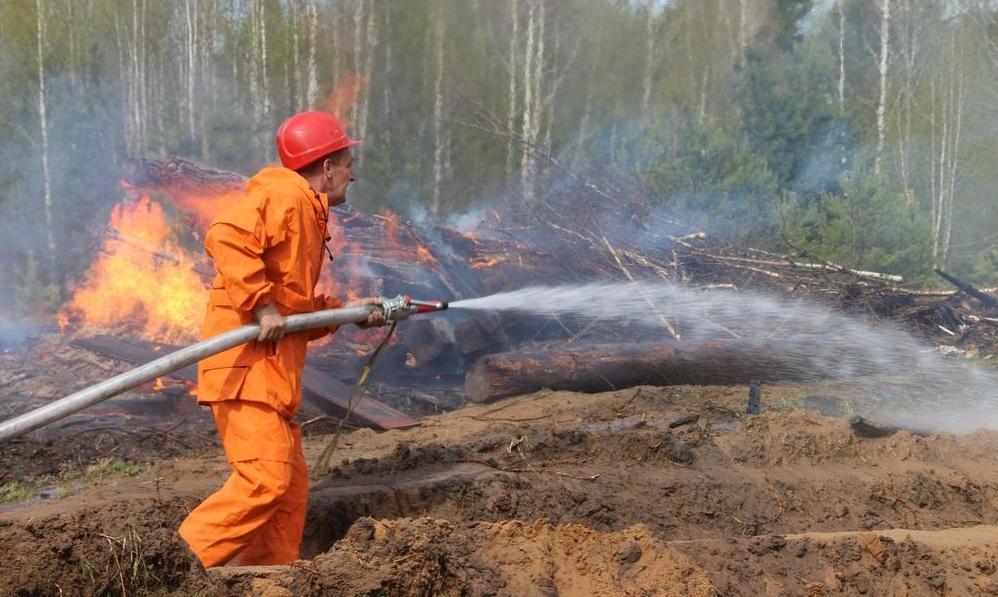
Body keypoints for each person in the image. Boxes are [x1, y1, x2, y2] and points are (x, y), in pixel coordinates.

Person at [178, 111, 383, 567]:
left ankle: (266, 582)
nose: (355, 173)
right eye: (349, 162)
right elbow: (226, 235)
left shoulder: (306, 212)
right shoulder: (286, 196)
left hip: (270, 379)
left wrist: (348, 315)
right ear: (326, 167)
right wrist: (260, 303)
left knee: (287, 495)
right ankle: (163, 569)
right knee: (264, 482)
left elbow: (291, 311)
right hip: (244, 371)